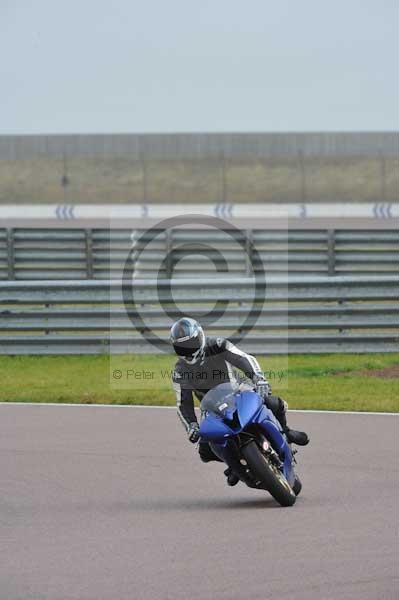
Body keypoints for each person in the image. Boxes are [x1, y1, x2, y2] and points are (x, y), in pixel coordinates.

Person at [170, 317, 309, 486]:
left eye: (191, 343)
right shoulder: (179, 370)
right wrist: (191, 425)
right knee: (205, 450)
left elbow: (243, 358)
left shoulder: (218, 345)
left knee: (272, 402)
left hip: (238, 390)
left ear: (200, 336)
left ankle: (286, 432)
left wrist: (259, 378)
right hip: (211, 407)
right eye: (182, 347)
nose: (188, 350)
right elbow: (183, 403)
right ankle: (234, 463)